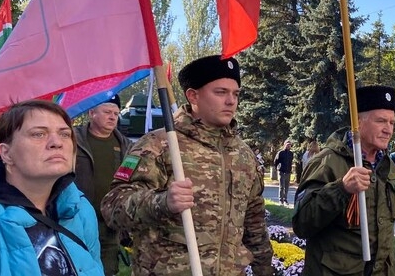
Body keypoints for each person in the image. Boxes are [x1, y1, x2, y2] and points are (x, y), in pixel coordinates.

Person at [101, 55, 274, 276]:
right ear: (193, 95)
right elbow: (113, 207)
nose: (231, 101)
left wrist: (264, 269)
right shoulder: (159, 145)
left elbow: (254, 222)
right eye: (221, 92)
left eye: (235, 94)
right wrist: (161, 202)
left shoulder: (243, 155)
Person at [292, 85, 395, 276]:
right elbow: (302, 224)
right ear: (358, 122)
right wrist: (341, 189)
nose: (388, 130)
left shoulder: (387, 166)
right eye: (381, 121)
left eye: (392, 123)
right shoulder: (327, 162)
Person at [0, 100, 103, 275]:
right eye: (38, 134)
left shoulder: (79, 208)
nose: (57, 143)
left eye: (65, 134)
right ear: (6, 153)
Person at [74, 93, 133, 276]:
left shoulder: (127, 146)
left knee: (107, 269)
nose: (112, 117)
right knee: (76, 266)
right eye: (107, 112)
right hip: (77, 219)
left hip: (109, 223)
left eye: (116, 113)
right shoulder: (72, 139)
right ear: (92, 113)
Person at [274, 140, 294, 205]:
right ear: (284, 145)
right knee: (282, 186)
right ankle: (281, 200)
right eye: (287, 145)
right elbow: (276, 161)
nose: (288, 146)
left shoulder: (291, 153)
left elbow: (291, 162)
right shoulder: (280, 153)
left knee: (287, 186)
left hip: (288, 171)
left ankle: (285, 199)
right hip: (281, 171)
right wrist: (276, 168)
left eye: (290, 145)